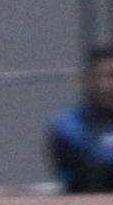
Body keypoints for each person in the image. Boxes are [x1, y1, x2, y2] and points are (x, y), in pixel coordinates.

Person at [43, 48, 113, 194]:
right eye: (99, 76)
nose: (106, 86)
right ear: (87, 80)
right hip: (86, 200)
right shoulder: (67, 124)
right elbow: (77, 173)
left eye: (111, 76)